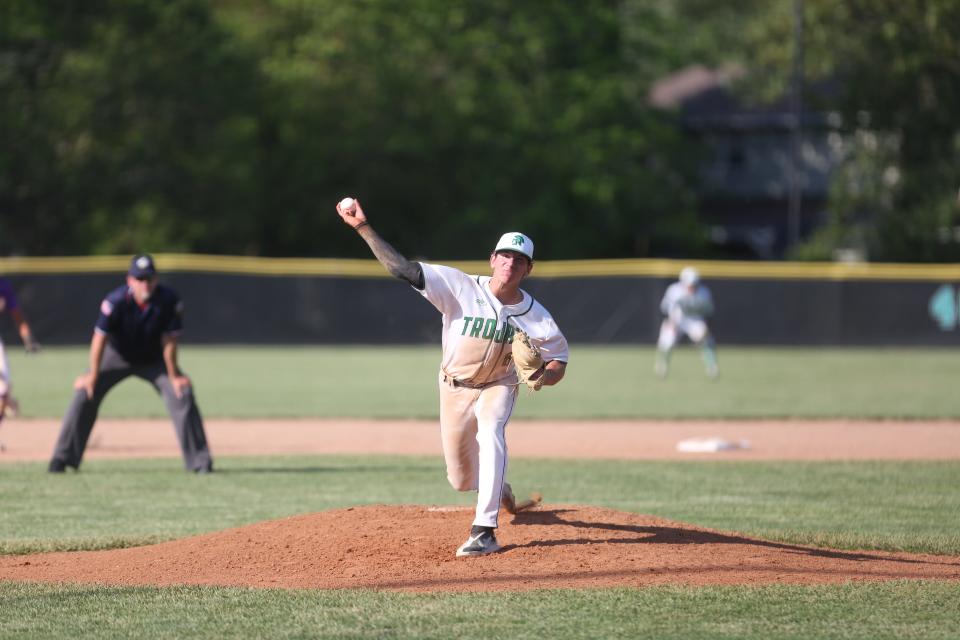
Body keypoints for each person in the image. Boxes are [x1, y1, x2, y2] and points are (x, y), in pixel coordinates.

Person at [337, 197, 569, 557]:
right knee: (460, 480)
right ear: (493, 259)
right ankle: (498, 488)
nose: (511, 263)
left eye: (519, 259)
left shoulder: (537, 316)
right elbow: (402, 269)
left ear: (528, 268)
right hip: (453, 387)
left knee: (492, 429)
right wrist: (362, 227)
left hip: (499, 384)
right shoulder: (461, 286)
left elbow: (559, 360)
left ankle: (485, 531)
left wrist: (544, 375)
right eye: (505, 255)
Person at [48, 254, 213, 473]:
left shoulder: (169, 300)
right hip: (117, 355)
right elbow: (99, 339)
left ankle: (200, 461)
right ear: (130, 280)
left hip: (155, 358)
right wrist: (93, 375)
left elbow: (170, 341)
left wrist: (174, 376)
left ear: (156, 280)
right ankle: (62, 458)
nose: (145, 283)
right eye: (139, 279)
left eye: (149, 278)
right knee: (84, 392)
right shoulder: (114, 301)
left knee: (182, 393)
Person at [655, 266, 719, 378]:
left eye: (694, 284)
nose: (691, 287)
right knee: (668, 340)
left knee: (706, 339)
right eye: (689, 284)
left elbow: (709, 311)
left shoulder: (704, 292)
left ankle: (712, 366)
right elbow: (665, 307)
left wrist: (706, 326)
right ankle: (662, 364)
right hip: (677, 318)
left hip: (694, 319)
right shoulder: (674, 290)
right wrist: (672, 322)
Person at [0, 277, 40, 449]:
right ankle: (10, 403)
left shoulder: (3, 286)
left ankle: (8, 401)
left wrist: (28, 339)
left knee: (4, 390)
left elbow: (18, 316)